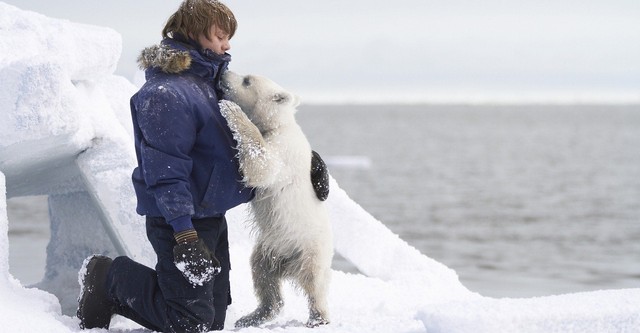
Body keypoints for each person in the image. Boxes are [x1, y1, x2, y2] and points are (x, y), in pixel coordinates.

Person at [76, 1, 329, 332]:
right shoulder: (166, 94)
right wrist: (184, 234)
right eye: (220, 35)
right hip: (179, 220)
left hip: (209, 213)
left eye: (229, 37)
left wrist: (308, 160)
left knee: (211, 321)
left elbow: (260, 129)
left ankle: (147, 297)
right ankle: (108, 277)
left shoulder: (208, 82)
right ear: (194, 33)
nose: (227, 45)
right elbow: (165, 172)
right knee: (189, 322)